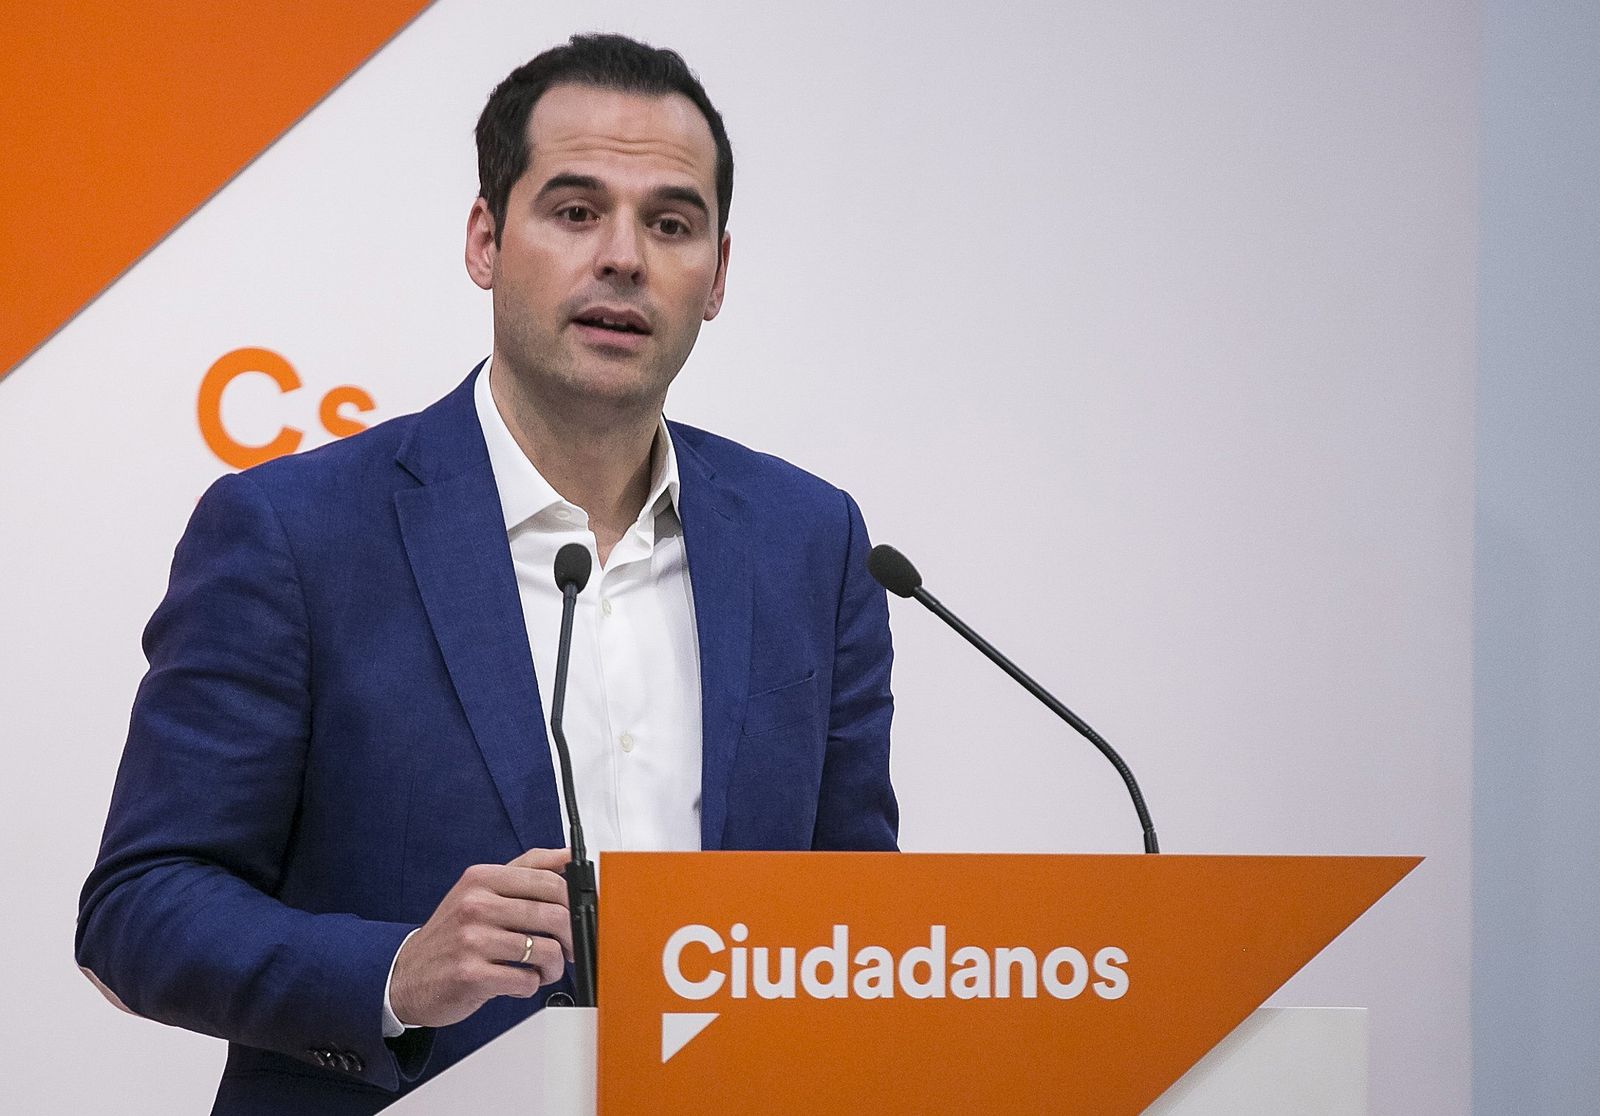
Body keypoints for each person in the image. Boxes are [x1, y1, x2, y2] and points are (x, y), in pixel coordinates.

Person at [76, 34, 897, 1115]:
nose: (622, 257)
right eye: (572, 210)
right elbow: (139, 909)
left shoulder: (811, 542)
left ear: (716, 277)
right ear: (484, 240)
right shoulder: (292, 533)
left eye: (670, 223)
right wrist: (393, 974)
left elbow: (853, 923)